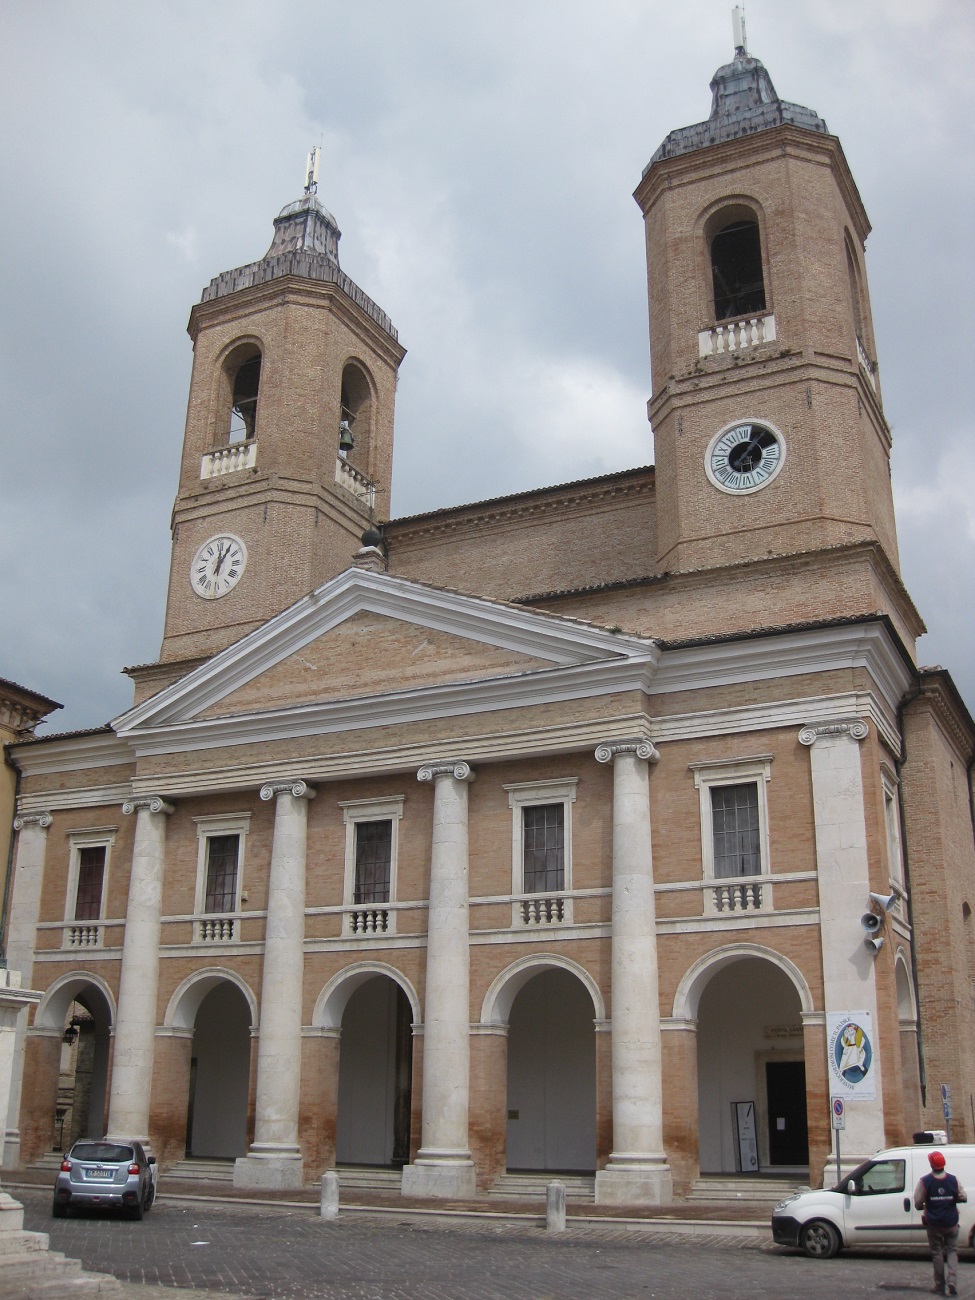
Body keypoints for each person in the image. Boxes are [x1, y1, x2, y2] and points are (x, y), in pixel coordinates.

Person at [914, 1150, 967, 1295]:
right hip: (951, 1222)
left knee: (937, 1253)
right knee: (952, 1251)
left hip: (933, 1223)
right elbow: (963, 1196)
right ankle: (952, 1281)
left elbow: (918, 1202)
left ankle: (939, 1285)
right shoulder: (953, 1180)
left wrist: (925, 1205)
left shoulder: (925, 1181)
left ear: (931, 1164)